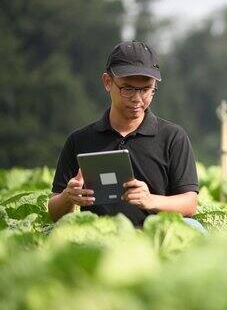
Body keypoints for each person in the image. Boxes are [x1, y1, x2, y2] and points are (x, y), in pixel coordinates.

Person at [48, 41, 206, 233]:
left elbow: (189, 203)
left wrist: (150, 200)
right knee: (52, 233)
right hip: (99, 237)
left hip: (155, 236)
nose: (137, 99)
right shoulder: (79, 140)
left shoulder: (173, 137)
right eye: (128, 89)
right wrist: (68, 197)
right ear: (108, 82)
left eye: (146, 89)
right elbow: (55, 213)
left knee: (194, 228)